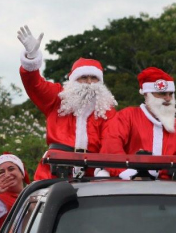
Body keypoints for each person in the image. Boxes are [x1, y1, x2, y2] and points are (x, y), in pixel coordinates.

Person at [17, 25, 117, 180]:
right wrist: (32, 58)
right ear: (73, 80)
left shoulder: (106, 110)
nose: (89, 83)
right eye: (83, 78)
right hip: (53, 172)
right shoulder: (58, 98)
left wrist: (104, 170)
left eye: (93, 78)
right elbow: (34, 84)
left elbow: (111, 143)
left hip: (93, 175)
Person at [97, 67, 176, 179]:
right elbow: (111, 147)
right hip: (130, 189)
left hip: (170, 193)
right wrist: (129, 174)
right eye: (162, 94)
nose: (168, 98)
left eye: (170, 94)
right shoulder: (127, 117)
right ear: (146, 95)